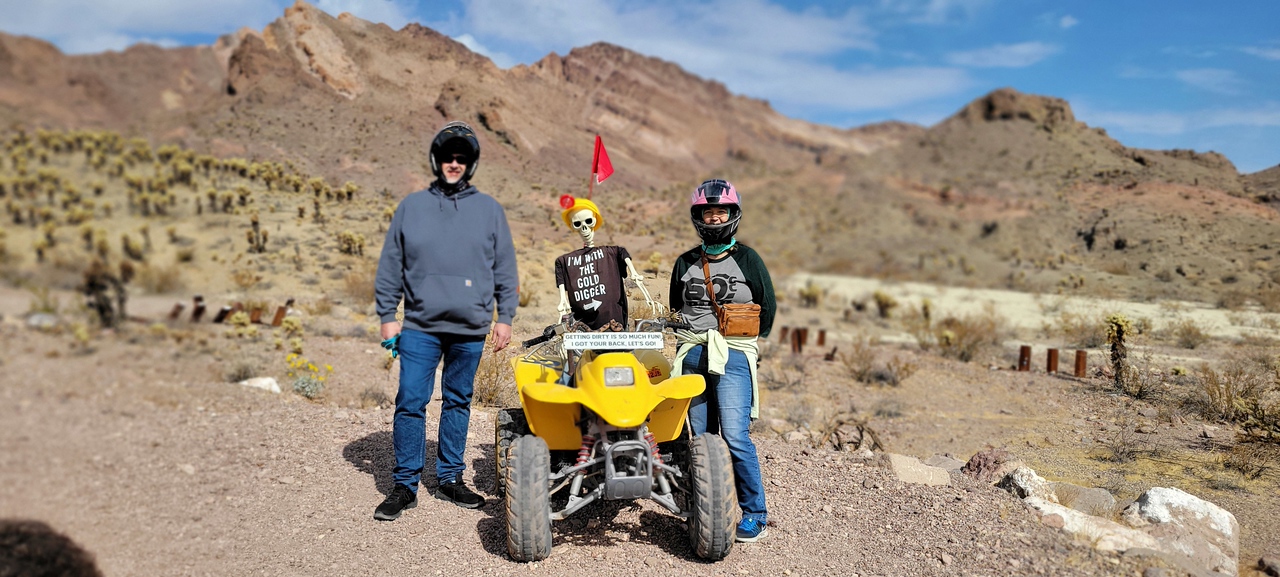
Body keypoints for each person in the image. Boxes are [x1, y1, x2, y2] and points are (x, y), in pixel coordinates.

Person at [372, 121, 518, 520]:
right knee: (410, 400)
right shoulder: (412, 207)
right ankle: (405, 485)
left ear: (471, 163)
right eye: (448, 157)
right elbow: (391, 264)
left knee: (458, 400)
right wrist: (388, 315)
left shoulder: (489, 210)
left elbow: (504, 267)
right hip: (420, 326)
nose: (454, 163)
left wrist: (504, 316)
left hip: (469, 327)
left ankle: (450, 478)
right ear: (437, 160)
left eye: (462, 158)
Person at [668, 179, 775, 543]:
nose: (714, 218)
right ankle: (706, 509)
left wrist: (743, 342)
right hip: (692, 353)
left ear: (733, 215)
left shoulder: (748, 260)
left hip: (732, 354)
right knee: (699, 437)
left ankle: (755, 514)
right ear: (698, 218)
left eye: (720, 212)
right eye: (708, 213)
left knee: (734, 435)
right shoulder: (685, 262)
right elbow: (675, 307)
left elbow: (767, 307)